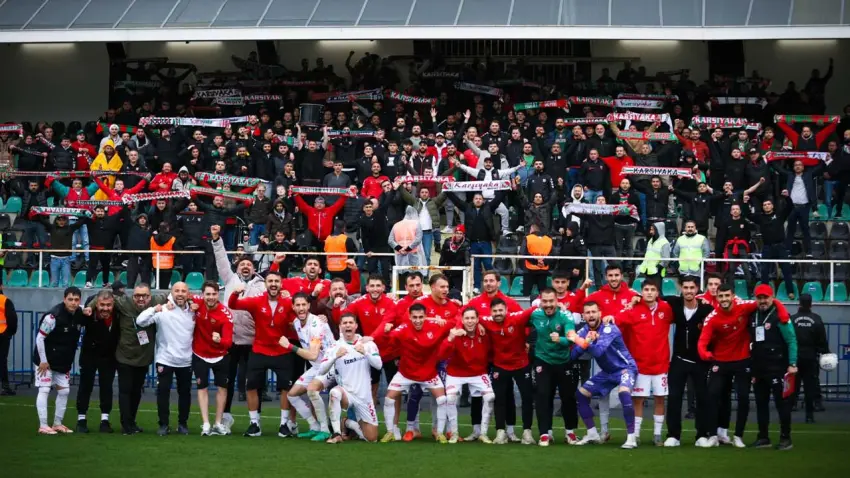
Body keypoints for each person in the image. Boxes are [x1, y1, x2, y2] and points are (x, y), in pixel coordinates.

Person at [698, 283, 790, 448]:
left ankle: (738, 436)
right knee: (712, 395)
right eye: (721, 296)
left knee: (743, 398)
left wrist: (783, 315)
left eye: (727, 295)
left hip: (743, 360)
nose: (724, 299)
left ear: (733, 296)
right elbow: (702, 341)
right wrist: (705, 354)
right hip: (720, 361)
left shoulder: (744, 306)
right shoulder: (712, 317)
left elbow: (772, 301)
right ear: (717, 298)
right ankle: (713, 435)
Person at [367, 302, 453, 443]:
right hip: (406, 373)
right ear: (410, 317)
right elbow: (390, 339)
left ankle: (439, 433)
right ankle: (390, 432)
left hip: (428, 373)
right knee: (389, 398)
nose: (418, 320)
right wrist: (387, 331)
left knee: (442, 399)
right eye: (414, 317)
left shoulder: (436, 326)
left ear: (425, 316)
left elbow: (456, 323)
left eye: (421, 317)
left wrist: (444, 321)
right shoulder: (404, 328)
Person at [211, 224, 267, 430]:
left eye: (249, 265)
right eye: (242, 264)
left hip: (253, 341)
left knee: (253, 382)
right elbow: (220, 260)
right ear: (236, 268)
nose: (245, 267)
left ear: (254, 269)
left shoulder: (262, 284)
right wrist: (217, 240)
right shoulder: (230, 278)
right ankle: (225, 417)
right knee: (228, 380)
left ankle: (256, 420)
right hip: (231, 340)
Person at [227, 272, 297, 438]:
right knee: (251, 386)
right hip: (259, 350)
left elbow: (300, 317)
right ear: (265, 284)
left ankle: (284, 425)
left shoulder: (288, 302)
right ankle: (254, 424)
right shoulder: (257, 300)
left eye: (276, 281)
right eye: (270, 281)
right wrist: (235, 292)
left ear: (281, 284)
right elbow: (234, 305)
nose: (273, 284)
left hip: (282, 351)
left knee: (285, 388)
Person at [569, 301, 639, 449]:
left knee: (624, 393)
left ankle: (631, 438)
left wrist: (582, 341)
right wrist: (584, 341)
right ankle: (592, 433)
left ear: (600, 313)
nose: (591, 315)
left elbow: (599, 351)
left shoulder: (609, 328)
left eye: (593, 312)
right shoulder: (584, 331)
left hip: (625, 368)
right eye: (587, 313)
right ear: (583, 316)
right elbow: (573, 355)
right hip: (607, 372)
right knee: (581, 394)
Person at [614, 280, 674, 446]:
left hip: (661, 364)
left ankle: (657, 435)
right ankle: (636, 434)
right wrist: (628, 305)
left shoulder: (666, 309)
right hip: (640, 366)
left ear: (657, 293)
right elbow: (617, 320)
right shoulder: (634, 309)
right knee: (638, 400)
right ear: (641, 292)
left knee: (660, 399)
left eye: (652, 289)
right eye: (646, 289)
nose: (649, 292)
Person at [136, 282, 196, 436]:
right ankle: (163, 424)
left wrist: (196, 305)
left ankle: (183, 424)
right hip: (165, 360)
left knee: (185, 393)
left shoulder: (194, 311)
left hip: (186, 360)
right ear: (172, 293)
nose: (180, 294)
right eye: (177, 291)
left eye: (184, 291)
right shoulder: (162, 309)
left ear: (188, 293)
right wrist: (154, 308)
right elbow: (140, 321)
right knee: (163, 393)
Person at [663, 276, 714, 447]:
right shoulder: (674, 304)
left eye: (692, 288)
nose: (689, 291)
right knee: (674, 397)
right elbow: (653, 297)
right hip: (678, 360)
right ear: (681, 288)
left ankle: (701, 435)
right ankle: (673, 435)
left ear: (697, 289)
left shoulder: (706, 309)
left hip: (700, 361)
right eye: (685, 287)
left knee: (702, 398)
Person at [479, 299, 536, 444]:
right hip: (500, 366)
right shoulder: (487, 321)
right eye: (495, 311)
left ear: (506, 310)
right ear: (491, 312)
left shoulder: (517, 318)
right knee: (500, 399)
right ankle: (500, 432)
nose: (498, 313)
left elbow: (534, 308)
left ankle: (527, 433)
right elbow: (468, 316)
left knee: (527, 398)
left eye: (500, 310)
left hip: (521, 364)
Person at [318, 313, 382, 443]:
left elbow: (379, 365)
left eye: (350, 323)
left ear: (356, 326)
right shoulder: (334, 347)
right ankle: (336, 434)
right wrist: (335, 357)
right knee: (334, 392)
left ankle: (347, 422)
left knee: (372, 438)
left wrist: (365, 353)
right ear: (340, 327)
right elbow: (322, 370)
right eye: (345, 323)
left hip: (364, 396)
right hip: (346, 393)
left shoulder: (367, 344)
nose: (348, 325)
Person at [114, 283, 168, 435]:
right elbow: (101, 296)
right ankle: (125, 424)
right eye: (137, 295)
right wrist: (90, 306)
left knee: (137, 391)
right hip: (125, 356)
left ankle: (132, 421)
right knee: (125, 391)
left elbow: (175, 294)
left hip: (144, 357)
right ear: (133, 296)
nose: (141, 298)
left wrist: (190, 301)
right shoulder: (123, 302)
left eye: (144, 295)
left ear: (150, 296)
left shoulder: (157, 299)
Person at [333, 275, 396, 403]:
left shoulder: (390, 303)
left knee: (394, 390)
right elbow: (342, 319)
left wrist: (372, 337)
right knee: (372, 387)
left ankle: (394, 421)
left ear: (383, 288)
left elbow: (385, 323)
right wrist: (336, 308)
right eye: (372, 286)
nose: (375, 289)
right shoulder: (359, 302)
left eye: (378, 286)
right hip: (370, 350)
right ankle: (370, 416)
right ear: (367, 288)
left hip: (390, 350)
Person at [748, 284, 797, 451]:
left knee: (781, 404)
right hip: (759, 367)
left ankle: (786, 437)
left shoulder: (780, 316)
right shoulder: (753, 315)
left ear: (772, 297)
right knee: (761, 404)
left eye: (765, 297)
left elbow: (791, 340)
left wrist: (792, 363)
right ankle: (763, 437)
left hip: (778, 367)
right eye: (759, 297)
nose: (762, 301)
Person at [282, 293, 336, 442]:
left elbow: (312, 355)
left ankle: (325, 430)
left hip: (331, 364)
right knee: (292, 394)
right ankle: (314, 426)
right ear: (293, 307)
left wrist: (289, 346)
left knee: (312, 390)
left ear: (309, 306)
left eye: (303, 305)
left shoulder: (316, 324)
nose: (301, 308)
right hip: (318, 366)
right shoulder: (296, 322)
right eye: (297, 305)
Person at [529, 288, 578, 447]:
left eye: (551, 301)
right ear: (541, 302)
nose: (548, 305)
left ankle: (570, 432)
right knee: (543, 395)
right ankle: (545, 433)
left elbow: (572, 337)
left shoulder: (565, 316)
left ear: (557, 301)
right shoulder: (535, 314)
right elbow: (517, 322)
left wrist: (561, 339)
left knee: (568, 397)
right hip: (542, 360)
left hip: (563, 361)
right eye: (545, 301)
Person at [33, 287, 84, 434]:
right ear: (64, 299)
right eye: (70, 299)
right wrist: (43, 360)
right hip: (45, 361)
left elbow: (84, 308)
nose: (73, 303)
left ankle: (57, 423)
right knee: (44, 389)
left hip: (63, 361)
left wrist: (86, 308)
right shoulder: (52, 317)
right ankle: (43, 425)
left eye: (76, 300)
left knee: (64, 391)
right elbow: (40, 337)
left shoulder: (79, 312)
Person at [439, 308, 494, 444]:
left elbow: (492, 350)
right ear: (462, 320)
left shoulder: (484, 333)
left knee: (490, 397)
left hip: (478, 372)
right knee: (450, 398)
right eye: (467, 318)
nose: (470, 321)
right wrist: (451, 338)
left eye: (472, 318)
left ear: (477, 319)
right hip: (456, 373)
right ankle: (454, 433)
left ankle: (483, 433)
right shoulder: (456, 333)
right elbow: (441, 355)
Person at [189, 281, 234, 436]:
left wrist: (219, 340)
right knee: (202, 388)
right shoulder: (197, 301)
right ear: (203, 295)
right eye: (208, 294)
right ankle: (206, 424)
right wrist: (189, 302)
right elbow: (181, 294)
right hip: (200, 354)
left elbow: (228, 342)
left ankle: (218, 423)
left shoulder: (225, 314)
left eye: (214, 294)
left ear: (218, 295)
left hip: (220, 355)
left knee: (222, 388)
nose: (211, 297)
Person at [445, 187, 510, 289]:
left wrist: (506, 188)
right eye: (476, 198)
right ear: (473, 200)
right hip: (473, 243)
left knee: (488, 265)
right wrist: (446, 190)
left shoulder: (489, 207)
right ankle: (477, 287)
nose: (478, 200)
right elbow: (456, 201)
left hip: (486, 243)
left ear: (483, 200)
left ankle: (494, 286)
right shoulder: (467, 207)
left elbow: (498, 198)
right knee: (476, 266)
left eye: (480, 198)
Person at [76, 290, 118, 434]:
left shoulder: (118, 312)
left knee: (107, 387)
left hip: (109, 356)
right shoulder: (88, 312)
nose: (105, 308)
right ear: (96, 304)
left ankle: (105, 420)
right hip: (89, 354)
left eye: (108, 305)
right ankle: (81, 419)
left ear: (113, 304)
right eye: (102, 305)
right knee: (85, 387)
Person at [791, 293, 830, 421]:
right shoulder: (817, 319)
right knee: (810, 386)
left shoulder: (792, 319)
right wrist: (825, 352)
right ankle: (809, 415)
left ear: (799, 303)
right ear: (811, 304)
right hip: (810, 357)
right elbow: (822, 341)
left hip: (795, 357)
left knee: (794, 383)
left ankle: (791, 406)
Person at [519, 221, 555, 297]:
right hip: (543, 269)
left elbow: (522, 253)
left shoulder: (527, 238)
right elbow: (553, 255)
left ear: (532, 229)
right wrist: (543, 262)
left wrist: (535, 261)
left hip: (529, 269)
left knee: (526, 293)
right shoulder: (548, 239)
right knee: (543, 294)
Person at [0, 288, 18, 396]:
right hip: (3, 334)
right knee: (2, 360)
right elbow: (12, 318)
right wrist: (10, 332)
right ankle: (5, 387)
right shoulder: (5, 300)